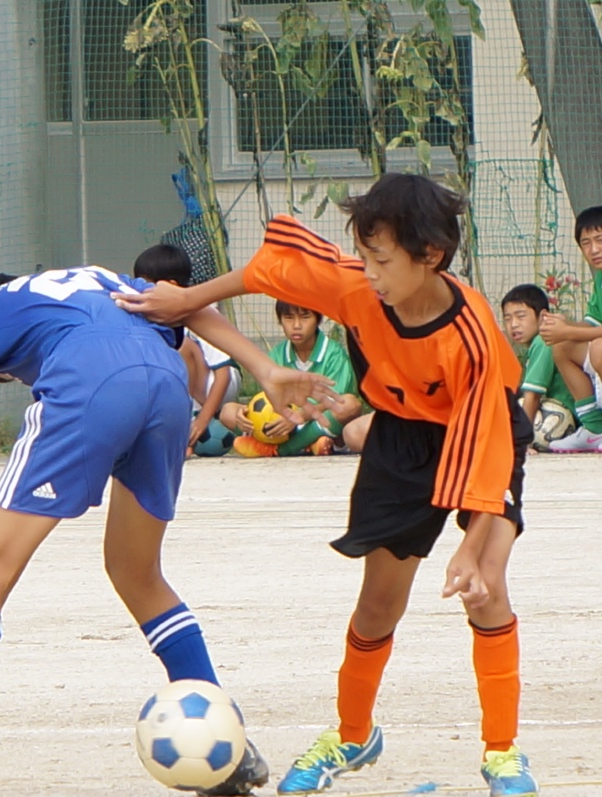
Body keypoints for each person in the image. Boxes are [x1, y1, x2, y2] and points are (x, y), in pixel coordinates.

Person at [0, 265, 334, 797]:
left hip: (87, 385)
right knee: (137, 574)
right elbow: (185, 303)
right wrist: (263, 367)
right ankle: (229, 742)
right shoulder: (97, 278)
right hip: (167, 387)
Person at [116, 173, 538, 796]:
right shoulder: (361, 287)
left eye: (382, 260)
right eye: (364, 256)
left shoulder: (471, 336)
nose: (370, 272)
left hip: (484, 435)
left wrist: (471, 548)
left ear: (431, 255)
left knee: (485, 588)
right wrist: (186, 301)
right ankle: (352, 733)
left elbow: (487, 448)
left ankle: (502, 752)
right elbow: (271, 270)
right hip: (401, 439)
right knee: (377, 605)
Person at [132, 243, 242, 455]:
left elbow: (224, 375)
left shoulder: (201, 311)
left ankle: (191, 422)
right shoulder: (148, 315)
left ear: (170, 285)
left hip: (217, 383)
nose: (138, 290)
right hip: (193, 387)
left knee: (182, 346)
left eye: (144, 284)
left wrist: (202, 420)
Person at [218, 300, 362, 458]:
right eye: (289, 318)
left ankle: (279, 450)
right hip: (282, 423)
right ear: (280, 320)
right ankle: (309, 444)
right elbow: (265, 400)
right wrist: (246, 412)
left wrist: (300, 416)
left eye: (305, 317)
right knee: (228, 411)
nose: (296, 325)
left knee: (350, 404)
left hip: (318, 421)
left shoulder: (334, 354)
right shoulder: (277, 354)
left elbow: (335, 400)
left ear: (318, 320)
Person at [539, 206, 602, 452]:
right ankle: (594, 429)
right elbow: (593, 323)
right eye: (586, 243)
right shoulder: (600, 277)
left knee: (598, 349)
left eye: (599, 240)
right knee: (562, 346)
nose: (594, 249)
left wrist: (568, 331)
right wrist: (562, 326)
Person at [502, 283, 577, 451]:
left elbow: (533, 396)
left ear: (543, 316)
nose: (513, 324)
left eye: (521, 316)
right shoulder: (538, 343)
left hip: (566, 416)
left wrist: (521, 442)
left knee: (518, 404)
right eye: (507, 318)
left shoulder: (543, 341)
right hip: (563, 415)